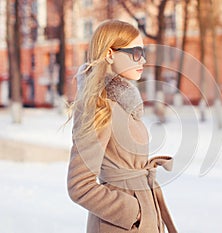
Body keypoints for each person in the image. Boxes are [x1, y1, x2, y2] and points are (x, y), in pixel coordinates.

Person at [67, 19, 178, 233]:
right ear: (110, 54)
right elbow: (79, 185)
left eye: (144, 53)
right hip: (119, 225)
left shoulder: (123, 105)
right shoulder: (98, 106)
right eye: (135, 52)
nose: (142, 59)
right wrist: (134, 212)